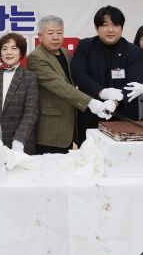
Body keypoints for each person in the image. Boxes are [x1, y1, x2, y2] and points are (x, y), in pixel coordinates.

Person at [27, 15, 112, 154]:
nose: (55, 37)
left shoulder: (66, 53)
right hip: (49, 130)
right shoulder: (36, 57)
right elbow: (59, 86)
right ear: (40, 36)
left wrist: (102, 92)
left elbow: (78, 78)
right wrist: (91, 102)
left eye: (59, 33)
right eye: (50, 33)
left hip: (69, 127)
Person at [70, 6, 143, 144]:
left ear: (122, 28)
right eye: (105, 25)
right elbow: (79, 75)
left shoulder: (134, 51)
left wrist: (114, 102)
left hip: (123, 117)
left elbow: (134, 83)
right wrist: (102, 92)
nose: (110, 30)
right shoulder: (85, 46)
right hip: (90, 114)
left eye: (115, 25)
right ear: (96, 27)